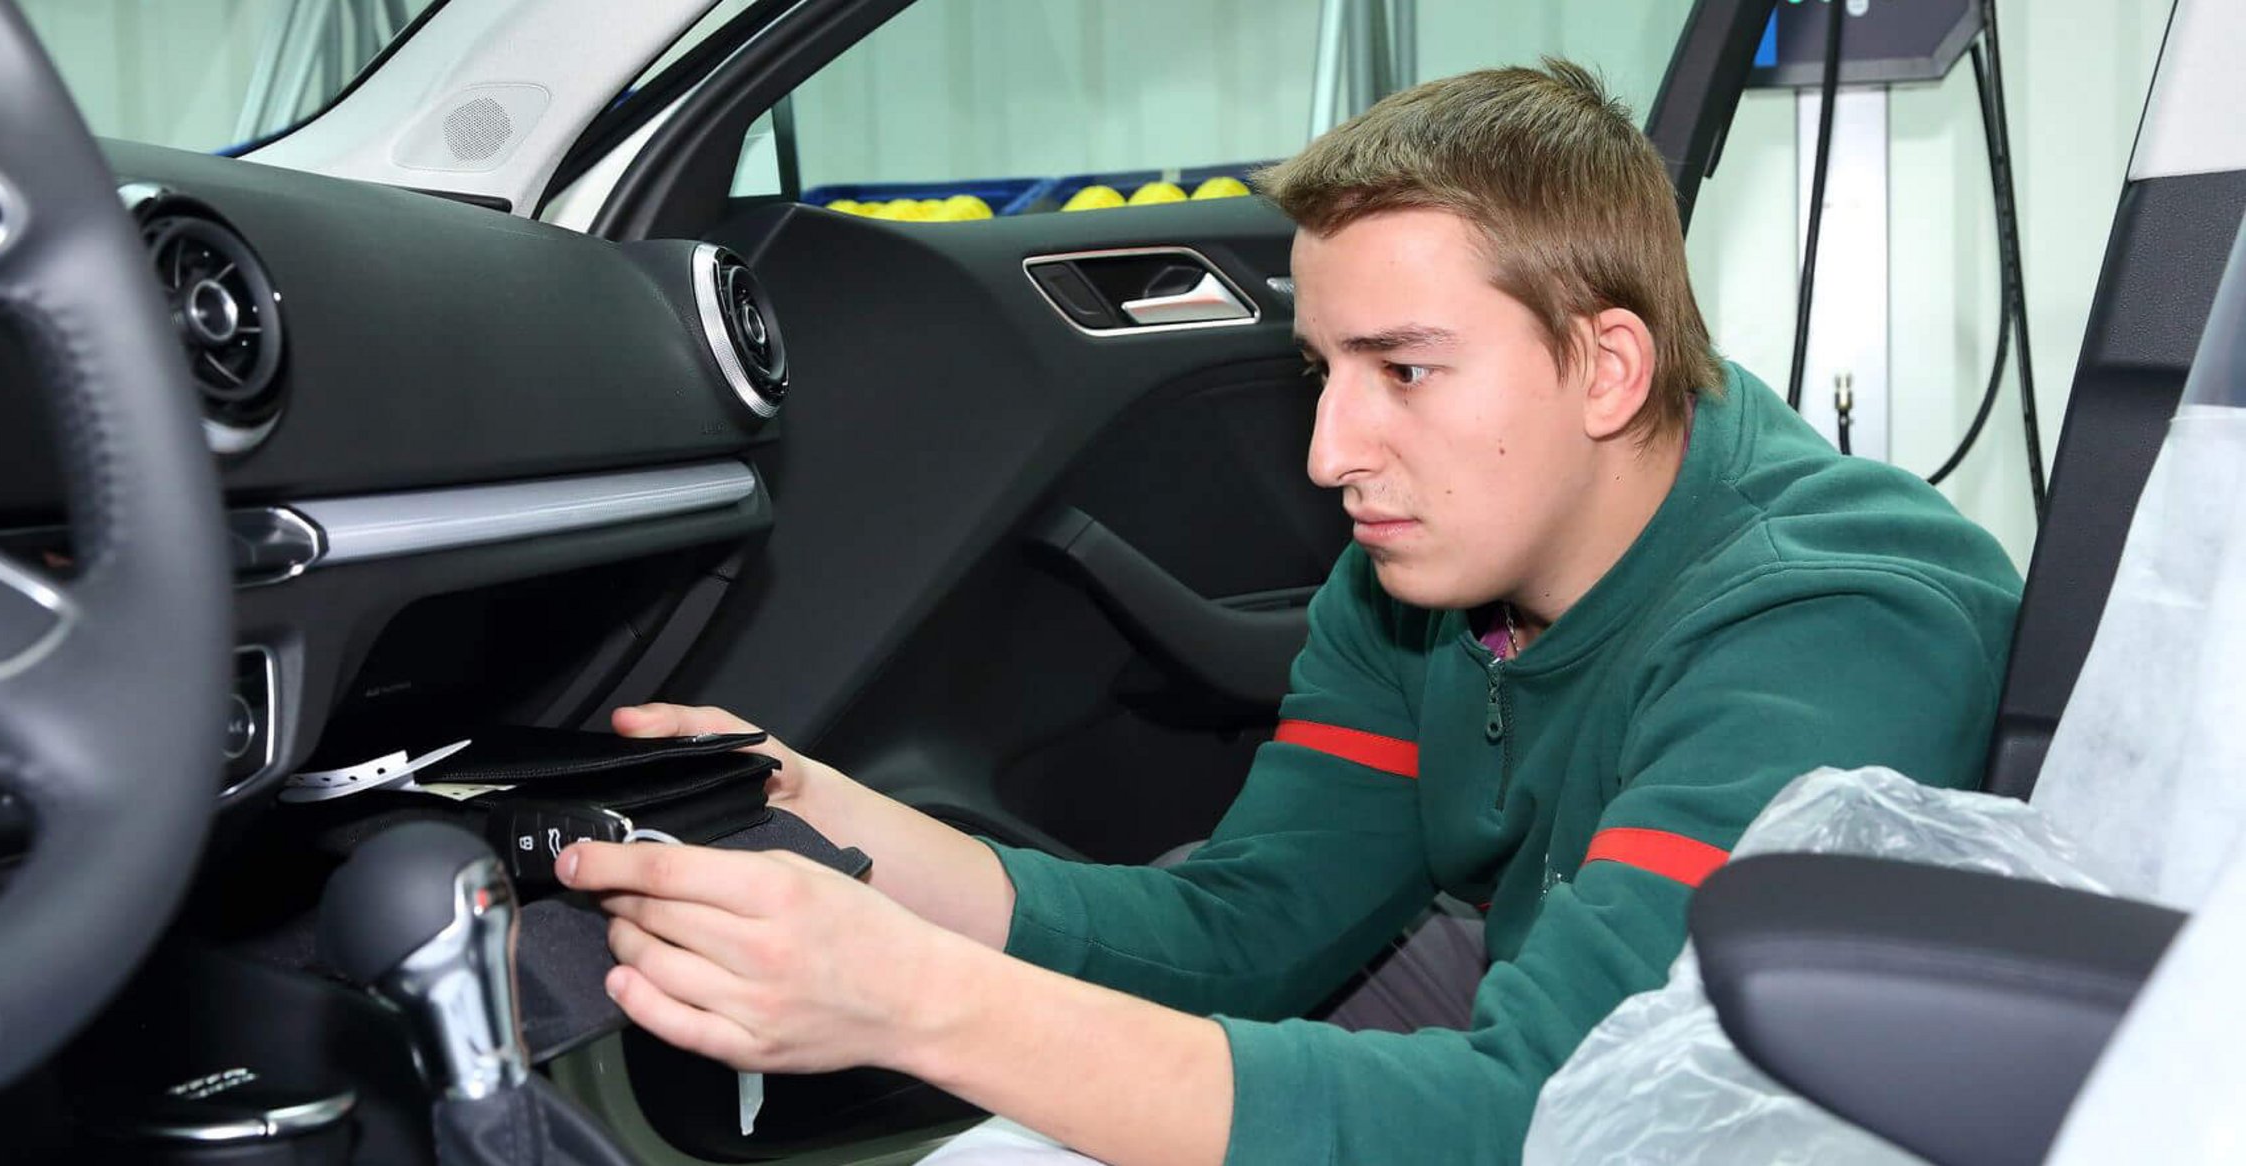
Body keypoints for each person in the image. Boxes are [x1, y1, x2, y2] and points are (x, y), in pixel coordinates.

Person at [554, 60, 2024, 1163]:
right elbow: (1247, 926)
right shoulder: (1424, 576)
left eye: (1406, 370)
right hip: (1550, 989)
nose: (1331, 454)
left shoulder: (1827, 630)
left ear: (1606, 369)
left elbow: (1548, 1111)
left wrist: (913, 1005)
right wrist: (830, 821)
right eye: (1324, 372)